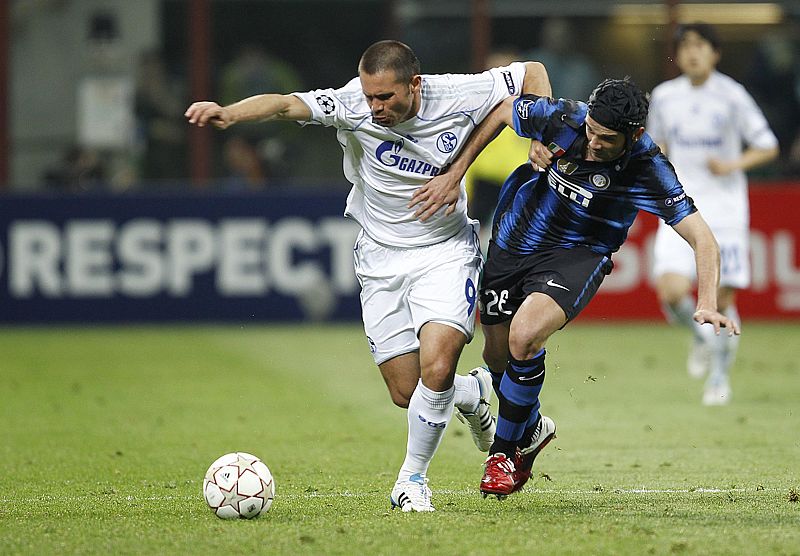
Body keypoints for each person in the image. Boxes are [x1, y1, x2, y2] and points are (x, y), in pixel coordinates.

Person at [186, 40, 552, 512]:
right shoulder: (351, 104)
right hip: (379, 260)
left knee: (437, 365)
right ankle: (476, 391)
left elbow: (532, 73)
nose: (374, 107)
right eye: (369, 95)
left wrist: (542, 134)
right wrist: (230, 114)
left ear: (414, 85)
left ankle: (412, 481)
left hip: (445, 251)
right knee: (407, 391)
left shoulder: (458, 93)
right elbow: (283, 103)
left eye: (385, 98)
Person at [410, 77, 740, 499]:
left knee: (524, 337)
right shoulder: (565, 116)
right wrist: (457, 172)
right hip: (514, 242)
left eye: (606, 139)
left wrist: (707, 301)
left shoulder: (647, 167)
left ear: (634, 134)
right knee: (497, 357)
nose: (593, 143)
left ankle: (504, 453)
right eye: (591, 132)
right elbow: (503, 110)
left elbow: (703, 238)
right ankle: (530, 430)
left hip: (578, 254)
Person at [647, 24, 779, 406]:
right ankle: (702, 338)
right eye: (685, 46)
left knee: (721, 299)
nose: (692, 53)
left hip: (725, 210)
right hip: (679, 206)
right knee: (671, 292)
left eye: (700, 46)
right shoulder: (665, 96)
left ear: (715, 53)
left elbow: (767, 145)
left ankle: (720, 377)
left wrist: (732, 163)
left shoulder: (732, 95)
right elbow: (656, 145)